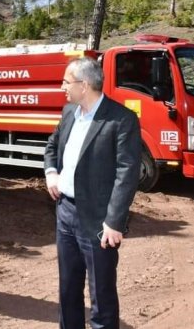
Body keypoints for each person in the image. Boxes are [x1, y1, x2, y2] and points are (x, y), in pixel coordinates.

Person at [44, 57, 141, 329]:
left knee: (102, 295)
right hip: (65, 213)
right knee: (68, 289)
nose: (63, 87)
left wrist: (114, 222)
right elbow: (52, 147)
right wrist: (51, 173)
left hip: (99, 221)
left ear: (84, 85)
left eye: (66, 82)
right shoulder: (68, 113)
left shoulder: (120, 120)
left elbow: (127, 173)